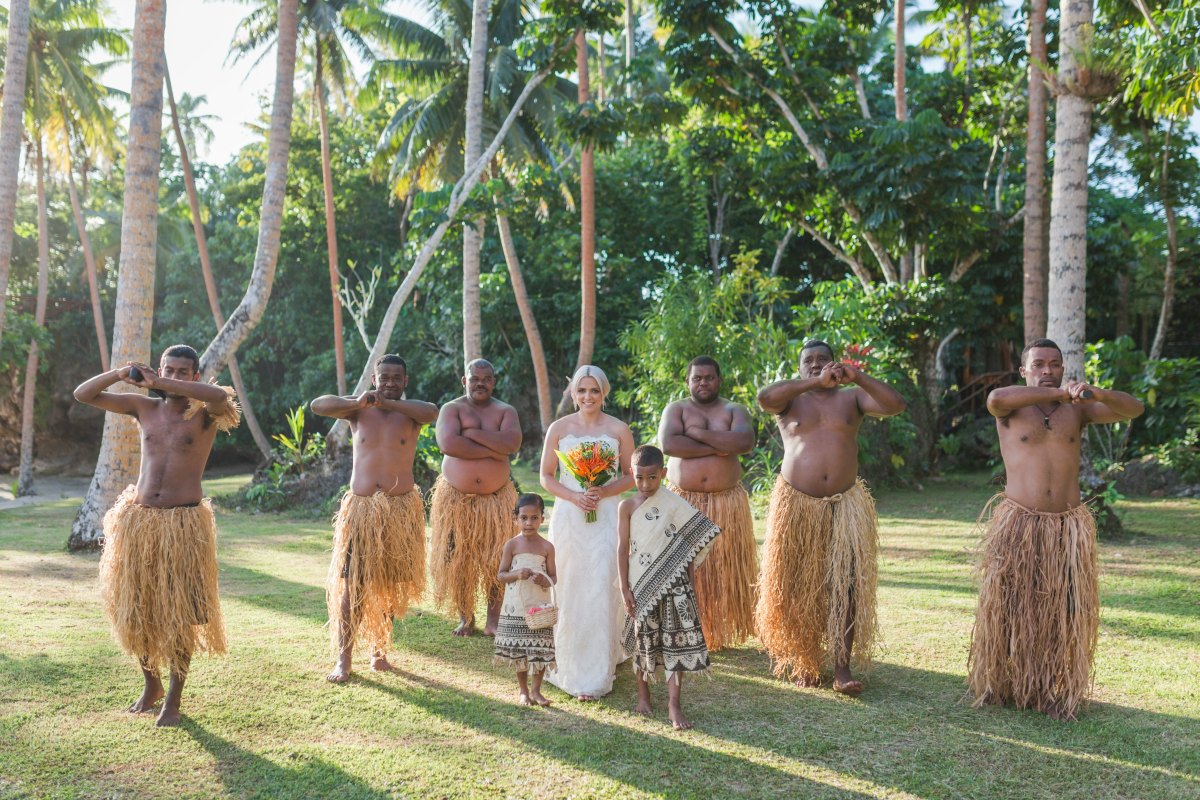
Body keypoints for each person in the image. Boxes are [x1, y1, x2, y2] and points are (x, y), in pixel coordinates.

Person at [969, 338, 1143, 720]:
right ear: (1024, 370)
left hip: (1067, 526)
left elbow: (1133, 409)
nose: (1047, 371)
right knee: (1009, 606)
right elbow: (996, 397)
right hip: (1019, 522)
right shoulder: (1009, 408)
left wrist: (1094, 392)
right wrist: (1062, 394)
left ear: (1064, 368)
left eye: (1055, 364)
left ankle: (1049, 687)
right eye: (1039, 364)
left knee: (1059, 610)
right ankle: (1002, 680)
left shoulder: (1077, 412)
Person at [74, 345, 240, 727]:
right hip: (141, 523)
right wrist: (120, 374)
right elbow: (83, 395)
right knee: (138, 610)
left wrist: (160, 382)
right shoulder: (143, 408)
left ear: (195, 376)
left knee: (181, 615)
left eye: (184, 372)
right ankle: (152, 684)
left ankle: (174, 700)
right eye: (170, 370)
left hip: (183, 526)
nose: (177, 377)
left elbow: (221, 395)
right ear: (160, 367)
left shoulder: (205, 414)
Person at [755, 340, 906, 694]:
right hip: (797, 504)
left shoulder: (851, 398)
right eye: (809, 361)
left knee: (846, 586)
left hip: (845, 504)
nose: (817, 365)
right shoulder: (790, 398)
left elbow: (896, 405)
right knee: (796, 586)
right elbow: (764, 397)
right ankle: (805, 661)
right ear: (800, 367)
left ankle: (842, 667)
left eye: (824, 360)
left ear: (836, 364)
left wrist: (857, 376)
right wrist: (813, 382)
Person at [310, 354, 438, 683]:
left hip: (398, 510)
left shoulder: (412, 415)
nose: (391, 382)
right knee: (354, 585)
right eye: (385, 377)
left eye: (397, 377)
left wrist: (391, 404)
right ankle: (344, 658)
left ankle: (379, 651)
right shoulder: (357, 411)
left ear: (405, 381)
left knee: (389, 587)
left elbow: (432, 412)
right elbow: (318, 406)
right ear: (374, 378)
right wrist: (359, 400)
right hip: (364, 510)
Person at [540, 365, 635, 700]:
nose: (588, 397)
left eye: (594, 390)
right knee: (569, 583)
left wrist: (602, 492)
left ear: (604, 393)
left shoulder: (619, 429)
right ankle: (567, 658)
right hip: (569, 515)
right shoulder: (560, 428)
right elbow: (546, 477)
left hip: (606, 515)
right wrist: (576, 496)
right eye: (582, 391)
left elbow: (631, 475)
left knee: (601, 582)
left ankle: (600, 663)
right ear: (573, 394)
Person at [658, 356, 757, 651]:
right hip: (683, 503)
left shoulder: (734, 409)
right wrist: (720, 443)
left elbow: (744, 443)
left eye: (709, 377)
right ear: (687, 381)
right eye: (697, 378)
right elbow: (670, 445)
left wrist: (698, 434)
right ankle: (683, 629)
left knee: (722, 571)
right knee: (683, 570)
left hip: (726, 504)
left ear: (719, 379)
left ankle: (717, 632)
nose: (703, 383)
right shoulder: (676, 409)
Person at [618, 445, 720, 731]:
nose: (646, 484)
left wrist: (689, 583)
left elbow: (692, 542)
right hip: (640, 584)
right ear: (631, 474)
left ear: (663, 473)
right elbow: (622, 548)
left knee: (675, 642)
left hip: (675, 586)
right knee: (643, 641)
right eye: (639, 478)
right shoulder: (626, 507)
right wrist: (625, 588)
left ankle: (674, 704)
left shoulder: (675, 505)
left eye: (652, 477)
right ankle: (643, 695)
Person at [429, 359, 522, 636]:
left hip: (497, 499)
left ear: (494, 381)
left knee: (497, 559)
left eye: (486, 379)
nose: (480, 383)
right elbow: (449, 444)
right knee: (459, 560)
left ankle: (492, 620)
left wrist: (472, 434)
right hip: (457, 500)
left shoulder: (506, 411)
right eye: (474, 378)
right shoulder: (452, 409)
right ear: (464, 381)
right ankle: (466, 618)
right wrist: (494, 445)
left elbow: (512, 444)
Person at [494, 493, 557, 707]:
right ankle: (523, 691)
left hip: (539, 606)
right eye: (524, 518)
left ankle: (536, 691)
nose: (528, 523)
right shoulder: (511, 545)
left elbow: (554, 577)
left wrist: (544, 580)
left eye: (534, 517)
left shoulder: (547, 547)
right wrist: (516, 574)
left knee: (539, 648)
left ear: (542, 518)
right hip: (516, 605)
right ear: (516, 519)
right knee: (520, 650)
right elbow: (501, 575)